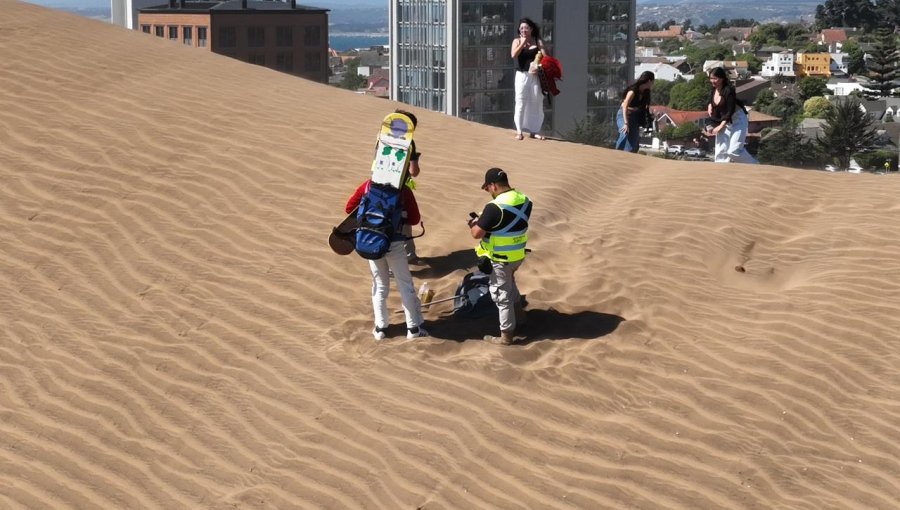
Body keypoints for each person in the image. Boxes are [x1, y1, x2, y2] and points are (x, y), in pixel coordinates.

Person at [346, 179, 429, 340]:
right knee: (405, 285)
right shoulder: (403, 190)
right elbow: (414, 219)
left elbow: (349, 208)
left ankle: (380, 329)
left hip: (372, 241)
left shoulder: (368, 185)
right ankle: (413, 329)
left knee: (379, 285)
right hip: (395, 243)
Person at [468, 168, 532, 345]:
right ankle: (521, 318)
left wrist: (473, 224)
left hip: (501, 258)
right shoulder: (525, 200)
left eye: (487, 189)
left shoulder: (494, 207)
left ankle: (506, 336)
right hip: (517, 255)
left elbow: (476, 234)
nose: (489, 193)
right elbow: (509, 222)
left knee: (501, 294)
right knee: (510, 285)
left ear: (493, 185)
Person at [705, 67, 758, 164]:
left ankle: (756, 166)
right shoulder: (714, 89)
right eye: (711, 78)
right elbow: (712, 102)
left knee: (734, 151)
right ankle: (721, 176)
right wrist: (709, 105)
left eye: (715, 78)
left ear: (722, 79)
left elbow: (730, 111)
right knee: (720, 153)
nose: (713, 81)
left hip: (737, 120)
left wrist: (720, 126)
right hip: (725, 121)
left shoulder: (729, 90)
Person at [510, 17, 547, 141]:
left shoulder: (537, 41)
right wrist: (522, 42)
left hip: (535, 76)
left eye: (526, 28)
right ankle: (519, 131)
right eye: (521, 28)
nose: (524, 30)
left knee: (536, 101)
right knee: (520, 102)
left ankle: (534, 130)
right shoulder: (517, 41)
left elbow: (546, 57)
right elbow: (513, 55)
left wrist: (539, 65)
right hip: (522, 75)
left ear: (531, 29)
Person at [395, 109, 423, 264]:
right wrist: (416, 159)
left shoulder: (381, 138)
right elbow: (414, 171)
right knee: (407, 218)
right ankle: (409, 255)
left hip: (378, 184)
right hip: (400, 188)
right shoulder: (408, 141)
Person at [615, 71, 655, 153]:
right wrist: (626, 123)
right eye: (653, 82)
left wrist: (650, 116)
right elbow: (625, 106)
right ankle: (616, 154)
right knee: (624, 132)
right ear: (649, 81)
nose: (653, 84)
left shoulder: (646, 92)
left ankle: (628, 158)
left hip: (635, 117)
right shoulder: (632, 91)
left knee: (633, 140)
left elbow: (644, 107)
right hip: (624, 115)